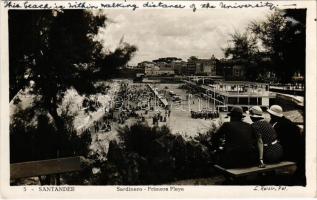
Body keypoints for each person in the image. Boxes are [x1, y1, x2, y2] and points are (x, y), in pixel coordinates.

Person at [267, 105, 305, 185]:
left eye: (271, 115)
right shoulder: (289, 122)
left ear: (273, 115)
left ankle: (267, 176)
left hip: (287, 154)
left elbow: (272, 139)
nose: (270, 116)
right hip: (297, 153)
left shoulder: (277, 125)